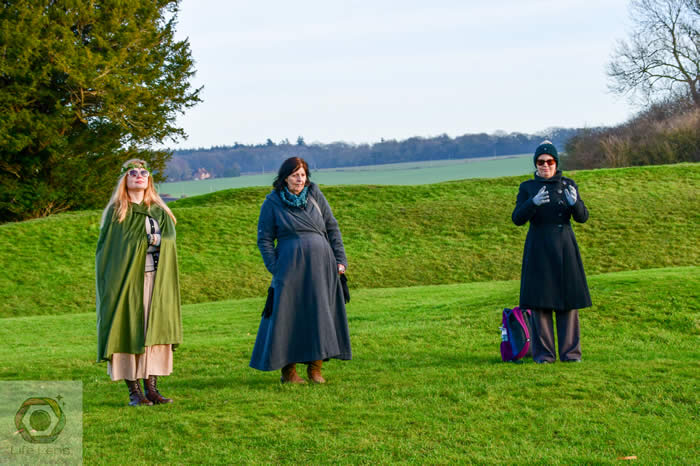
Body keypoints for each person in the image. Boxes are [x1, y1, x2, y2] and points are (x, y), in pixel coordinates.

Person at [250, 156, 351, 383]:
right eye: (295, 175)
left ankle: (315, 369)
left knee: (319, 315)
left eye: (303, 175)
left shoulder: (315, 196)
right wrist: (276, 267)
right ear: (285, 177)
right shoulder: (272, 202)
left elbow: (332, 228)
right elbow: (264, 239)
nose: (299, 179)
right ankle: (289, 372)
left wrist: (340, 259)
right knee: (289, 316)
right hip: (289, 269)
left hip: (322, 267)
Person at [96, 159, 182, 406]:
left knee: (153, 330)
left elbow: (169, 241)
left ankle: (152, 389)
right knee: (129, 329)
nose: (139, 176)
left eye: (144, 172)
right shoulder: (117, 213)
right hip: (126, 283)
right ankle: (135, 392)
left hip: (156, 279)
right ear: (125, 179)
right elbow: (111, 250)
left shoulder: (159, 211)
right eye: (132, 173)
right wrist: (147, 241)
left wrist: (156, 241)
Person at [511, 141, 591, 363]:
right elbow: (517, 219)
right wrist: (532, 203)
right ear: (535, 164)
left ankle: (571, 354)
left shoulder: (568, 185)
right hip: (539, 248)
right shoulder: (527, 187)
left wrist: (575, 204)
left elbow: (583, 217)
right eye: (540, 162)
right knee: (541, 302)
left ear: (556, 163)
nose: (545, 165)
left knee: (568, 301)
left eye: (550, 161)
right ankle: (544, 355)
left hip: (565, 247)